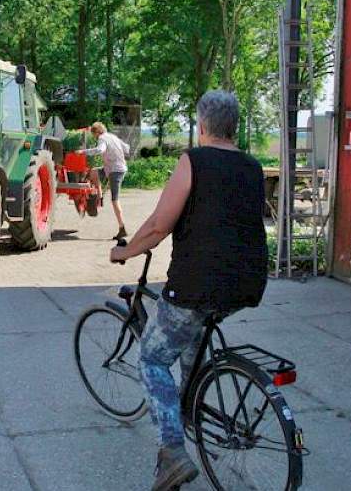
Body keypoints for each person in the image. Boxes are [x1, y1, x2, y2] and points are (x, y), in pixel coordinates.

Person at [110, 91, 268, 491]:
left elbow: (159, 225)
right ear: (232, 126)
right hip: (245, 285)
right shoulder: (252, 167)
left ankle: (172, 453)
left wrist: (125, 251)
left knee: (151, 358)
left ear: (201, 126)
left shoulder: (193, 161)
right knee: (191, 344)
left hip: (197, 285)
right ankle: (190, 405)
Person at [76, 122, 130, 239]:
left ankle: (122, 228)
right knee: (94, 172)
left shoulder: (102, 138)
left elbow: (100, 150)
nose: (95, 137)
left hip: (116, 171)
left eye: (94, 135)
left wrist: (83, 152)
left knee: (115, 200)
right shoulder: (112, 136)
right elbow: (127, 148)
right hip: (114, 168)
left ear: (97, 132)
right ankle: (99, 197)